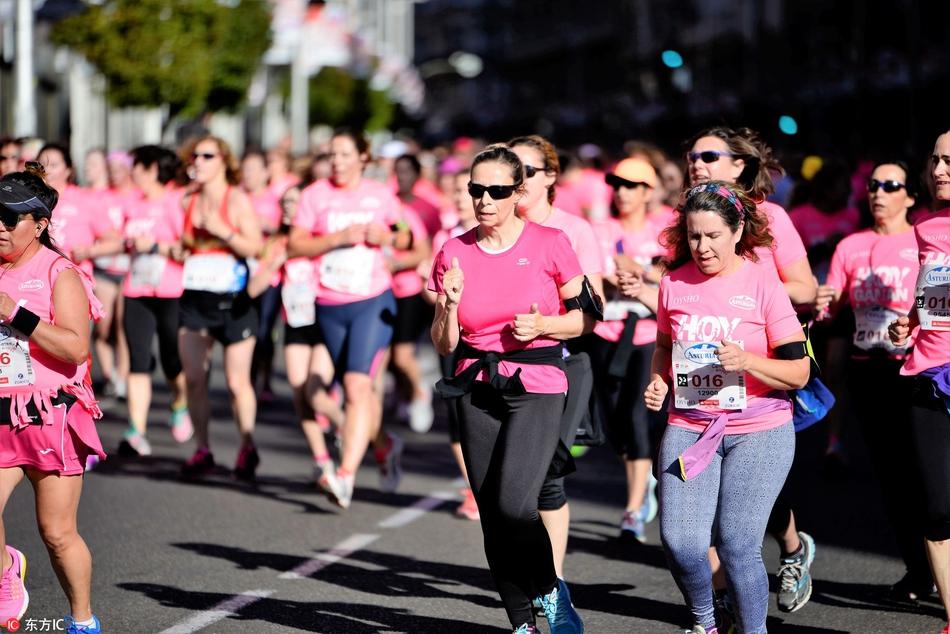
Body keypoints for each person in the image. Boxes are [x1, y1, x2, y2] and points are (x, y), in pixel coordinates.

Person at [430, 144, 591, 633]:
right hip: (476, 384)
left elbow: (586, 318)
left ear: (519, 193)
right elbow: (444, 343)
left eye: (497, 191)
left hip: (537, 382)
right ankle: (522, 623)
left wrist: (545, 323)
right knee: (492, 515)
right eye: (476, 190)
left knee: (515, 505)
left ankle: (549, 592)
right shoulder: (453, 252)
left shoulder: (550, 242)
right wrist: (449, 305)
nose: (484, 200)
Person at [645, 181, 809, 634]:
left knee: (738, 545)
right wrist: (659, 381)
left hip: (760, 427)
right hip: (690, 424)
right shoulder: (673, 282)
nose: (703, 247)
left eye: (714, 236)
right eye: (694, 236)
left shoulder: (762, 281)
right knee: (681, 543)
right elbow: (664, 346)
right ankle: (706, 618)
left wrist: (748, 360)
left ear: (738, 230)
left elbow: (798, 373)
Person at [687, 126, 818, 616]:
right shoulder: (690, 221)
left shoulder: (771, 217)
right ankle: (726, 600)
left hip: (763, 370)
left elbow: (804, 286)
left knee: (751, 492)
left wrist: (758, 297)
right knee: (706, 492)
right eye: (692, 156)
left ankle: (791, 549)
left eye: (709, 155)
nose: (696, 163)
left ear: (739, 165)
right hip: (701, 376)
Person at [816, 160, 931, 602]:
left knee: (928, 474)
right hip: (869, 370)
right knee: (893, 477)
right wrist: (825, 302)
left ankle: (939, 559)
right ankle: (918, 570)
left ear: (910, 195)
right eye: (872, 185)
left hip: (916, 369)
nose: (878, 193)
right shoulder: (851, 245)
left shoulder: (924, 237)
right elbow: (833, 305)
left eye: (890, 185)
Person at [0, 163, 107, 633]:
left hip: (50, 414)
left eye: (10, 220)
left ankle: (82, 620)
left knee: (57, 533)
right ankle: (7, 575)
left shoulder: (58, 272)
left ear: (40, 224)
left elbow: (74, 346)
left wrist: (14, 314)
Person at [288, 128, 410, 508]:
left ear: (362, 157)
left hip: (371, 299)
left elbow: (406, 236)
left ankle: (345, 476)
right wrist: (335, 239)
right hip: (327, 303)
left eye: (344, 154)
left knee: (358, 386)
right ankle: (383, 445)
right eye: (332, 155)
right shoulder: (314, 195)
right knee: (336, 388)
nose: (337, 161)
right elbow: (295, 243)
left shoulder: (380, 195)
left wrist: (386, 238)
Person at [508, 134, 604, 581]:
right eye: (512, 170)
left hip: (563, 362)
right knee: (508, 480)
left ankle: (553, 581)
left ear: (550, 177)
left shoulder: (575, 230)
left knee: (547, 475)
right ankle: (524, 567)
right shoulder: (495, 227)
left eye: (527, 170)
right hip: (503, 365)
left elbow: (592, 313)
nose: (518, 179)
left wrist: (544, 325)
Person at [889, 130, 950, 634]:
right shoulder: (925, 224)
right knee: (936, 503)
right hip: (926, 372)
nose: (938, 170)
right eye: (934, 160)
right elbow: (931, 296)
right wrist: (909, 320)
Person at [177, 136, 264, 480]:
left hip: (233, 302)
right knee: (195, 379)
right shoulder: (188, 200)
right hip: (196, 298)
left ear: (224, 162)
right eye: (195, 155)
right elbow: (183, 244)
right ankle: (203, 449)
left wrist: (223, 231)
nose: (198, 160)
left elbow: (255, 246)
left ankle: (246, 445)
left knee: (235, 382)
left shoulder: (237, 199)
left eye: (207, 155)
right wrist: (180, 251)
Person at [589, 157, 665, 543]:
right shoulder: (600, 229)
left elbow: (674, 276)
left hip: (648, 333)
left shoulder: (666, 226)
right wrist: (611, 276)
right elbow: (593, 275)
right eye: (617, 183)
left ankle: (633, 509)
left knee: (636, 417)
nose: (621, 191)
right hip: (607, 333)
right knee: (614, 424)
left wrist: (640, 270)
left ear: (648, 192)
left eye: (631, 185)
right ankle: (642, 476)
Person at [112, 145, 192, 457]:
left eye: (139, 167)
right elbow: (119, 237)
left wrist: (155, 245)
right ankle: (136, 431)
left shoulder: (177, 200)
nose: (134, 173)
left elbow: (187, 248)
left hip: (173, 290)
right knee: (139, 360)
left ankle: (180, 402)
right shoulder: (132, 203)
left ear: (155, 169)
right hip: (137, 290)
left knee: (173, 359)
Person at [422, 167, 479, 520]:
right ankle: (472, 486)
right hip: (451, 332)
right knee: (456, 410)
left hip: (485, 336)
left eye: (466, 190)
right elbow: (429, 289)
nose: (460, 198)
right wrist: (448, 301)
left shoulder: (488, 236)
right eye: (456, 191)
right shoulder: (445, 237)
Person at [84, 148, 131, 402]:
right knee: (103, 327)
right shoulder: (90, 197)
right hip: (102, 268)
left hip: (126, 269)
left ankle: (121, 378)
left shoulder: (128, 196)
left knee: (122, 326)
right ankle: (111, 375)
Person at [241, 149, 283, 401]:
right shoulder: (237, 198)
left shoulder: (275, 199)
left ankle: (265, 377)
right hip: (242, 273)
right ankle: (248, 379)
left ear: (266, 172)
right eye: (246, 169)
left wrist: (272, 228)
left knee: (265, 329)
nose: (249, 175)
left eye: (254, 169)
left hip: (269, 274)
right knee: (247, 327)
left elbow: (287, 229)